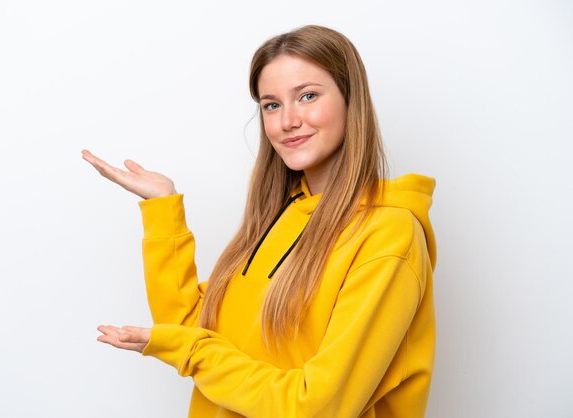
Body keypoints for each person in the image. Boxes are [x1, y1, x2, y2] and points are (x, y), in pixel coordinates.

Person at [82, 24, 436, 418]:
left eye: (307, 96)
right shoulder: (279, 216)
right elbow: (190, 328)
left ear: (351, 100)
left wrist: (193, 351)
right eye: (271, 104)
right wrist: (163, 210)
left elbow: (318, 407)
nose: (288, 121)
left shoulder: (388, 235)